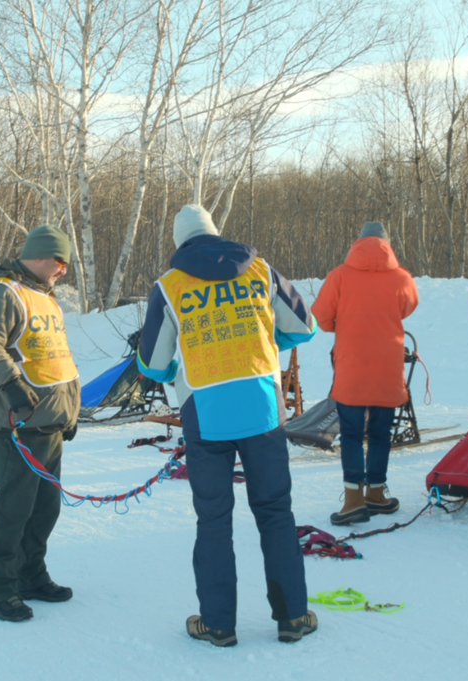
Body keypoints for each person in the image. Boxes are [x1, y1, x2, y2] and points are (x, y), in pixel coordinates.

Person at [137, 205, 319, 647]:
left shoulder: (170, 286)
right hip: (262, 407)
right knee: (275, 512)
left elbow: (152, 362)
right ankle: (292, 617)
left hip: (206, 410)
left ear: (180, 243)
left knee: (214, 520)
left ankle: (218, 624)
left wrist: (177, 369)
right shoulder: (260, 271)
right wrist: (264, 340)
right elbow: (305, 327)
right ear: (216, 234)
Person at [0, 225, 80, 624]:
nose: (63, 270)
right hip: (13, 423)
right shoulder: (2, 292)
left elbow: (57, 358)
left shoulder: (45, 298)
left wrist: (70, 409)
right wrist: (12, 387)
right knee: (13, 510)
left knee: (44, 509)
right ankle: (0, 591)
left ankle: (31, 576)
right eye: (59, 261)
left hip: (48, 423)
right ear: (39, 255)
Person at [311, 222, 419, 526]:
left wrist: (341, 325)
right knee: (381, 434)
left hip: (352, 366)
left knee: (352, 434)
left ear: (357, 243)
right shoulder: (402, 277)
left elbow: (320, 316)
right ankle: (376, 493)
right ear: (387, 244)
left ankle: (353, 500)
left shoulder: (340, 276)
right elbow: (408, 307)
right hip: (388, 365)